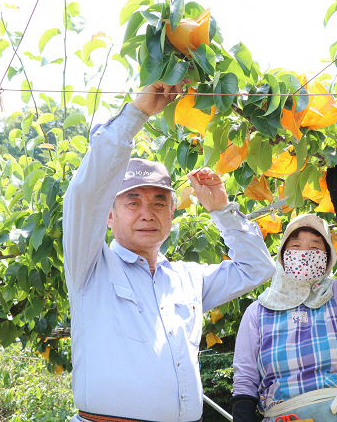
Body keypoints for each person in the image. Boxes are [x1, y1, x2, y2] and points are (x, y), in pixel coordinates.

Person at [62, 79, 276, 422]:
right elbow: (85, 193)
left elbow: (257, 269)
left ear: (172, 214)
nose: (148, 212)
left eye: (159, 202)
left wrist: (222, 210)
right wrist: (138, 114)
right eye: (133, 201)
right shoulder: (89, 267)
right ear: (109, 215)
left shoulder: (187, 279)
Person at [231, 159, 337, 422]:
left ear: (327, 258)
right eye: (296, 245)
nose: (304, 253)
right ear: (282, 255)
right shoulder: (258, 312)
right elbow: (245, 381)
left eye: (315, 247)